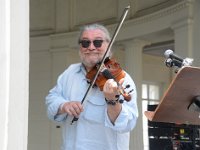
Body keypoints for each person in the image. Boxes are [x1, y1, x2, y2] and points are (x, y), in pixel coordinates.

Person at [45, 23, 138, 150]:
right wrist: (64, 105)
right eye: (85, 43)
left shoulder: (122, 78)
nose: (91, 47)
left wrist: (113, 101)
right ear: (80, 47)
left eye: (98, 42)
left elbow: (127, 124)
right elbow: (51, 99)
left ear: (108, 45)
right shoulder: (70, 72)